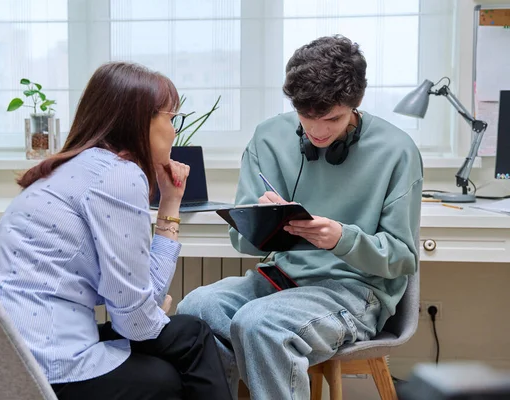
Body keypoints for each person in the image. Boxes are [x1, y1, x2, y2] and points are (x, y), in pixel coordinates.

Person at [177, 34, 423, 399]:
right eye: (307, 118)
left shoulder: (397, 151)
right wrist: (260, 223)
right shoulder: (268, 138)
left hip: (356, 291)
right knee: (194, 309)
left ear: (355, 105)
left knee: (260, 325)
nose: (319, 131)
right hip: (280, 278)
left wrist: (342, 238)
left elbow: (402, 257)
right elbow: (241, 242)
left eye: (333, 119)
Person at [0, 62, 231, 400]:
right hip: (44, 363)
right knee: (166, 375)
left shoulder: (71, 166)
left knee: (191, 334)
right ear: (141, 122)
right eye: (171, 119)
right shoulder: (118, 176)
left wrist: (170, 200)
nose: (174, 131)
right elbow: (137, 322)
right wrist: (153, 302)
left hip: (12, 347)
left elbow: (135, 304)